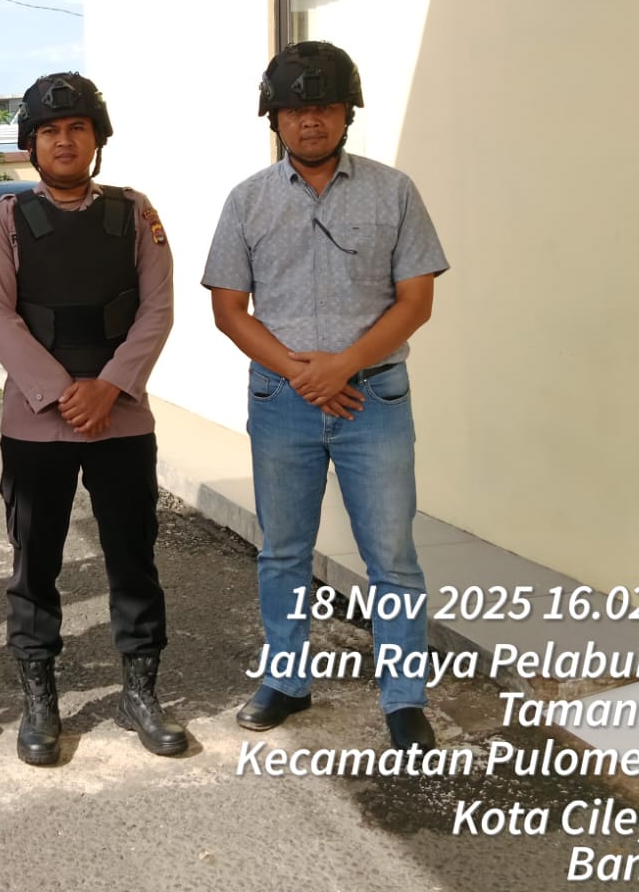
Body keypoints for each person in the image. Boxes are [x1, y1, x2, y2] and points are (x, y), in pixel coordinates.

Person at [201, 40, 449, 752]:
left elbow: (416, 300)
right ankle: (286, 679)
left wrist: (343, 366)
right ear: (274, 118)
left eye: (326, 106)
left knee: (392, 555)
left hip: (375, 398)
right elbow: (229, 310)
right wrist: (302, 373)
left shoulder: (394, 191)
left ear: (347, 113)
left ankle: (404, 697)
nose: (310, 120)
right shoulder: (247, 200)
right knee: (283, 550)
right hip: (282, 402)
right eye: (294, 109)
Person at [0, 73, 187, 765]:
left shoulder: (135, 212)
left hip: (120, 421)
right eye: (49, 131)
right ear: (31, 143)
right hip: (37, 424)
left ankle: (140, 694)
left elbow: (157, 308)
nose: (64, 140)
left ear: (97, 138)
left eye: (77, 128)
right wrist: (64, 391)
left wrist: (111, 387)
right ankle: (41, 701)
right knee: (35, 562)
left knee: (133, 558)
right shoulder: (5, 218)